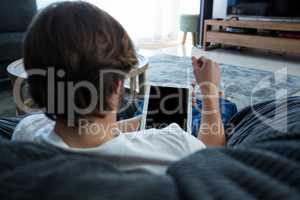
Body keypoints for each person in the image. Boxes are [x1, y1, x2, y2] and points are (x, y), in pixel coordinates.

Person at [12, 1, 232, 175]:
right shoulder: (173, 144)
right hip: (180, 132)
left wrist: (138, 123)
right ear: (119, 85)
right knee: (223, 107)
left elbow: (84, 131)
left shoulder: (26, 132)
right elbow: (213, 158)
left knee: (150, 107)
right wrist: (209, 90)